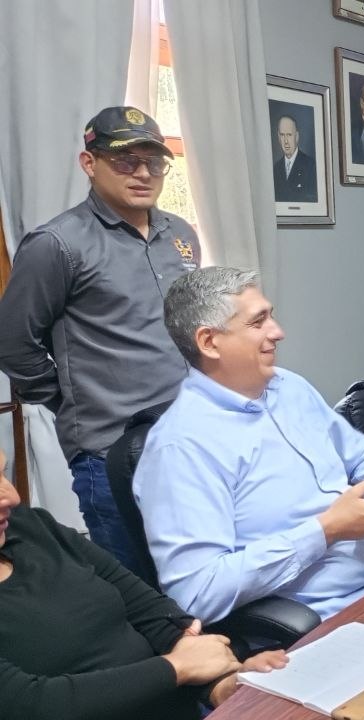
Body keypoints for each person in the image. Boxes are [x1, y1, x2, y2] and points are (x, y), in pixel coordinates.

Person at [133, 267, 364, 623]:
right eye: (258, 322)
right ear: (209, 342)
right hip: (324, 620)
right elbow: (198, 594)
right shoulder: (181, 447)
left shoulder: (289, 387)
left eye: (270, 316)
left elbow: (360, 454)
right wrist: (325, 531)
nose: (278, 332)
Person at [0, 106, 199, 577]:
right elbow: (12, 343)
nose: (143, 173)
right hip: (110, 453)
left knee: (197, 573)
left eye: (154, 162)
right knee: (138, 589)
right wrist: (69, 399)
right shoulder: (57, 244)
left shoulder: (180, 234)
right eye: (125, 160)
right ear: (89, 164)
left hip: (187, 437)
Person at [0, 450, 288, 720]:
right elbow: (31, 703)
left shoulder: (31, 527)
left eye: (3, 473)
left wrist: (223, 685)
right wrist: (179, 667)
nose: (12, 497)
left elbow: (148, 611)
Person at [271, 114, 317, 203]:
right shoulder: (276, 168)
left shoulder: (311, 165)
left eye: (289, 135)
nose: (286, 141)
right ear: (278, 137)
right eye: (282, 135)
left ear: (297, 136)